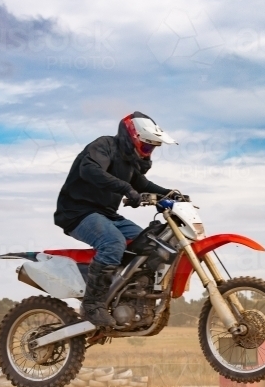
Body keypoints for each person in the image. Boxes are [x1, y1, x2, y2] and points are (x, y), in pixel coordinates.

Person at [54, 112, 179, 327]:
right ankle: (92, 305)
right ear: (133, 137)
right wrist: (125, 188)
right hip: (77, 212)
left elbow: (142, 185)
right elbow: (90, 170)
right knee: (113, 243)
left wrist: (172, 195)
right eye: (147, 147)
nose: (149, 152)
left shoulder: (129, 162)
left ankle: (127, 297)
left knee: (150, 242)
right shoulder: (104, 146)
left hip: (107, 215)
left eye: (152, 148)